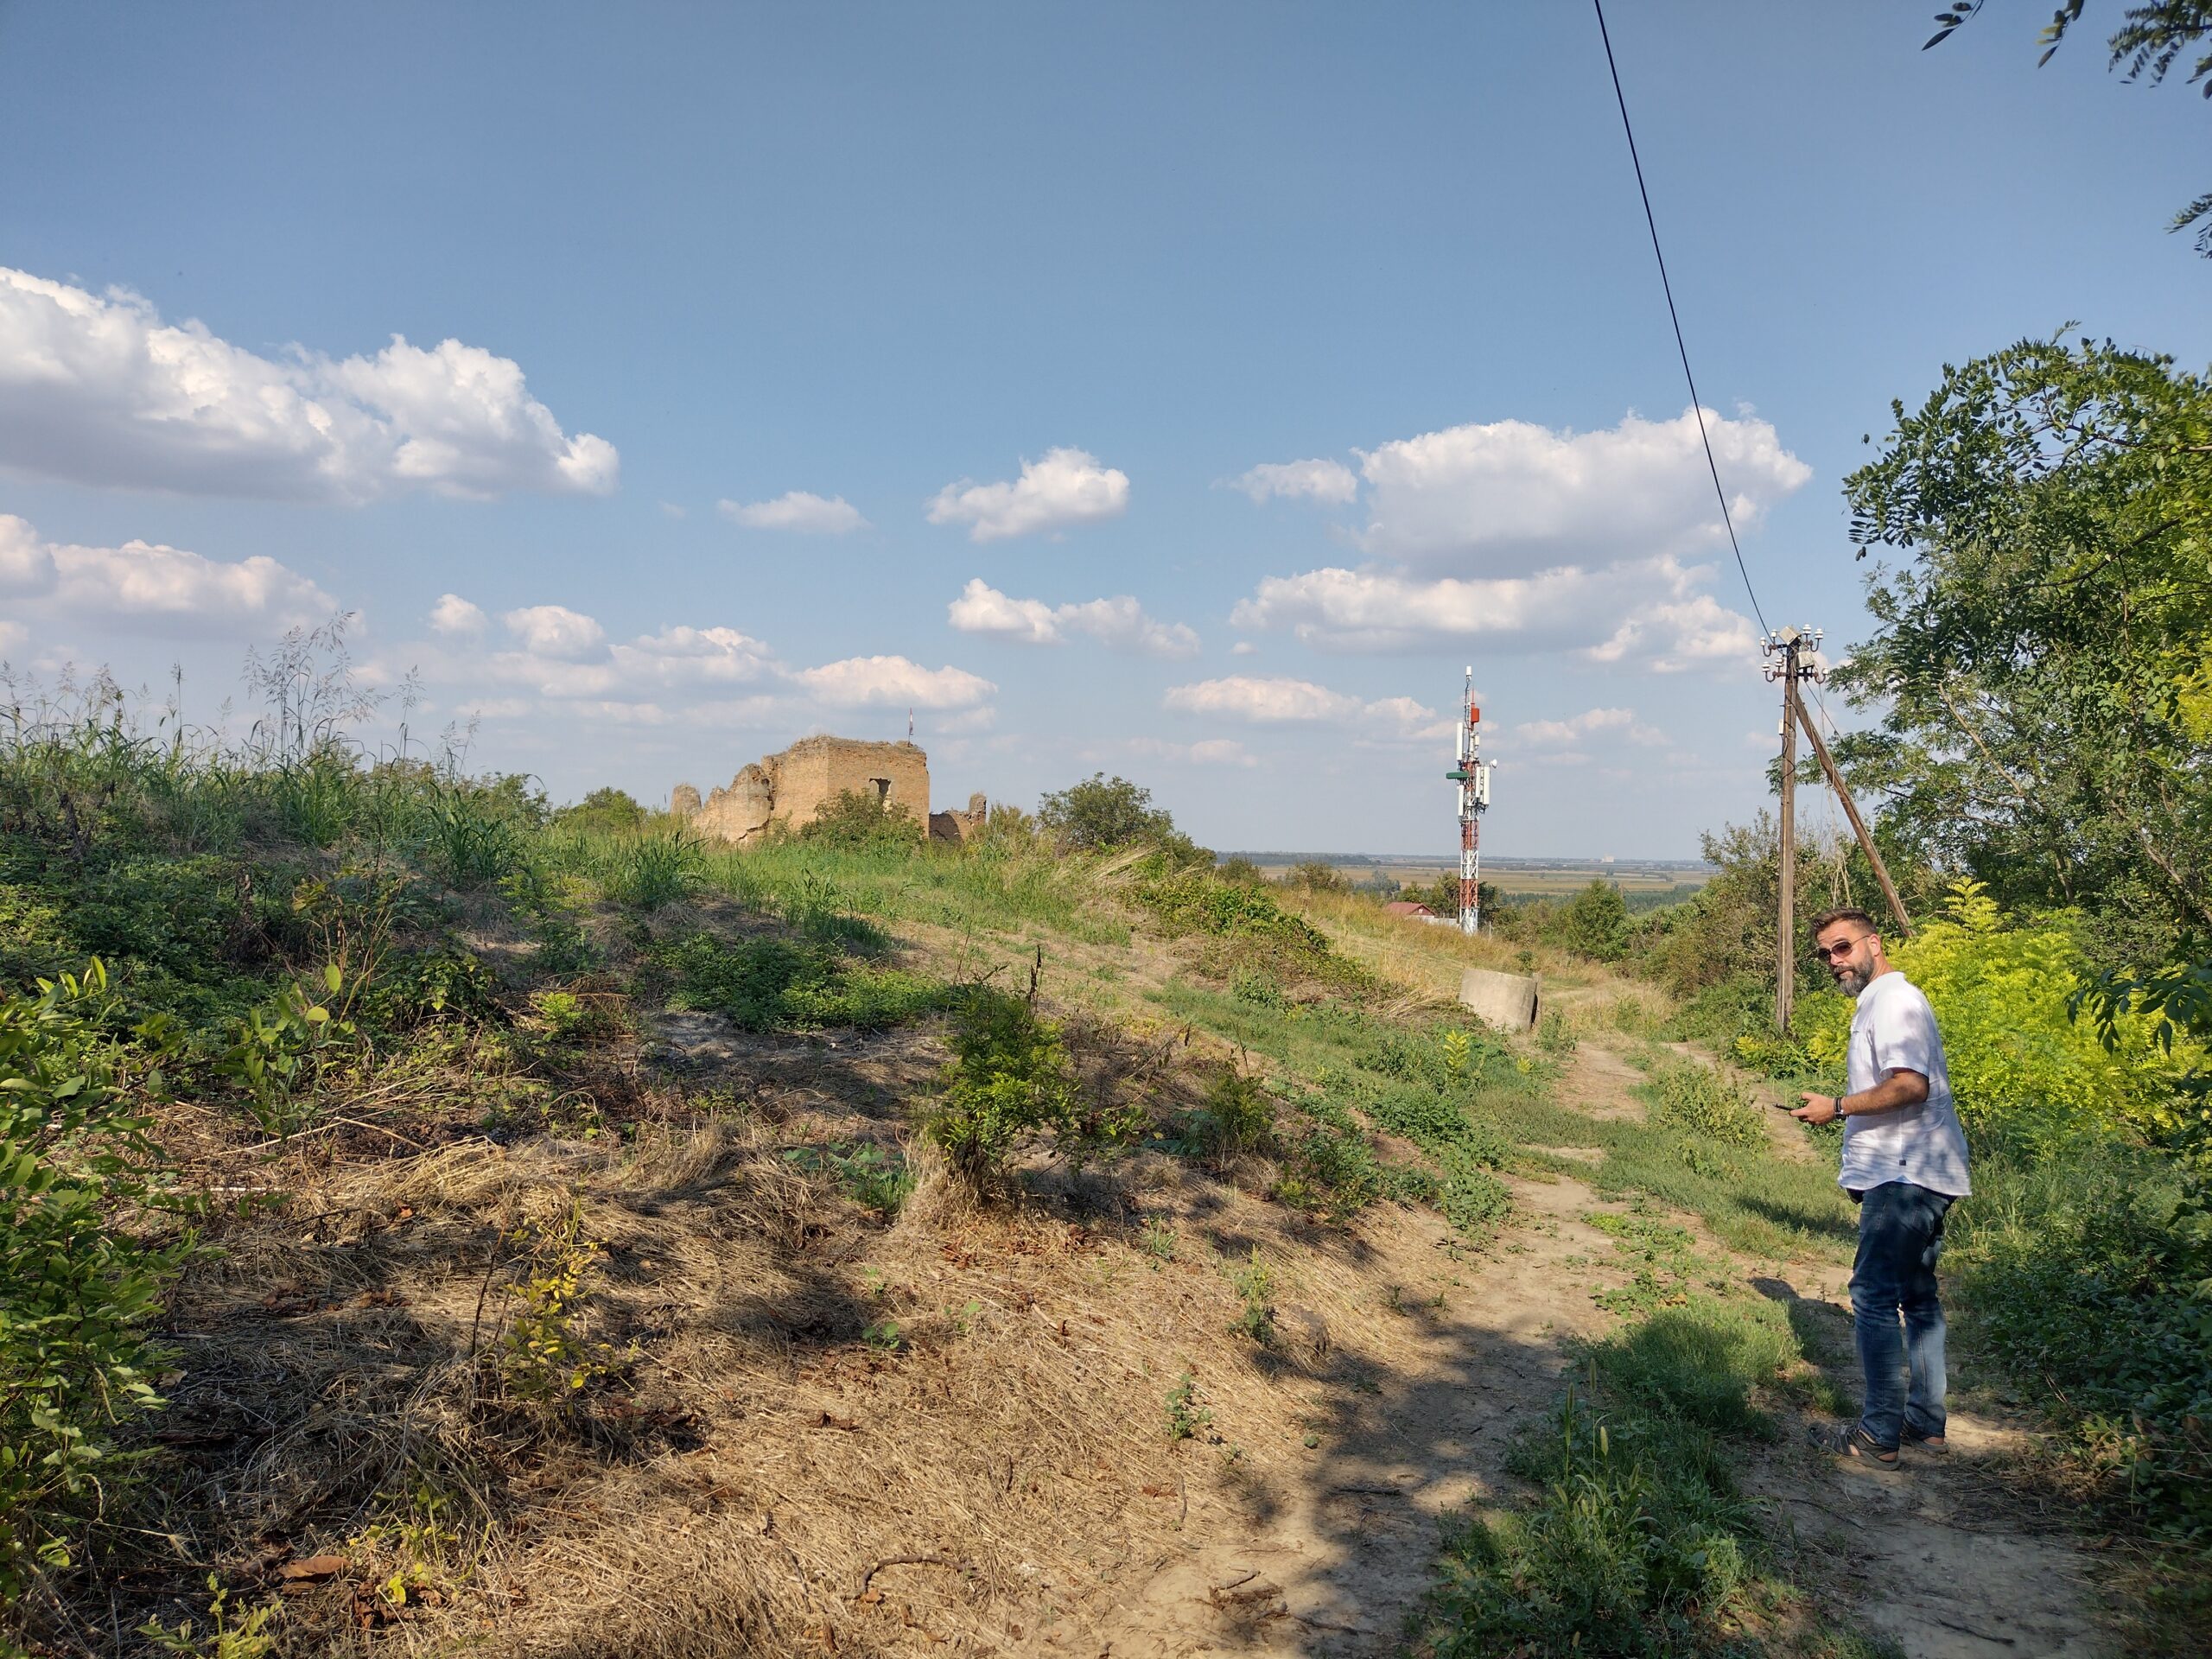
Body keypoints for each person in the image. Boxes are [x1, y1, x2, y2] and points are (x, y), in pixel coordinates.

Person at [1790, 907, 1971, 1470]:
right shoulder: (1882, 1002)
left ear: (1874, 943)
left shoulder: (1895, 1002)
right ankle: (1924, 1422)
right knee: (1917, 1299)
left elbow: (1910, 1086)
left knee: (1872, 1298)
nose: (1833, 962)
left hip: (1905, 1175)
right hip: (1916, 1172)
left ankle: (1878, 1436)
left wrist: (1837, 1108)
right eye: (1824, 954)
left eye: (1841, 948)